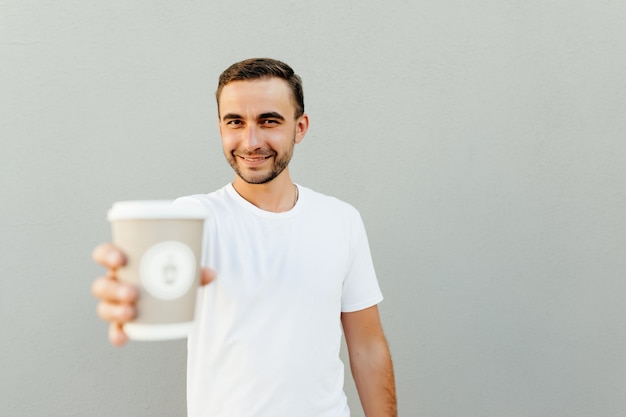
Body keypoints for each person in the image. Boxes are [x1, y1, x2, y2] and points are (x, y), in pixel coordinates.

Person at [92, 58, 397, 417]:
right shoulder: (193, 217)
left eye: (269, 121)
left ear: (300, 127)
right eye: (235, 122)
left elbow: (368, 345)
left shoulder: (341, 219)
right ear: (220, 127)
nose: (251, 142)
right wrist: (125, 295)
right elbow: (147, 284)